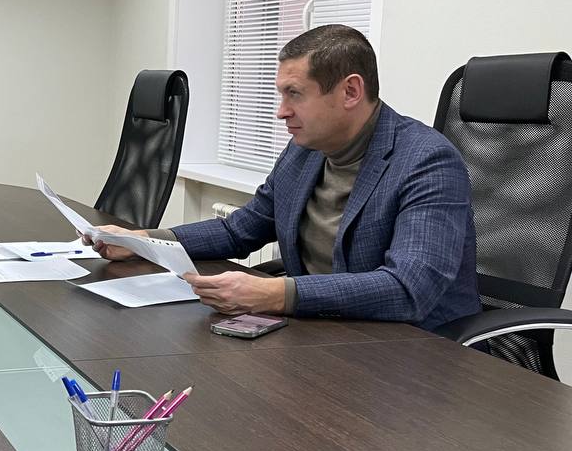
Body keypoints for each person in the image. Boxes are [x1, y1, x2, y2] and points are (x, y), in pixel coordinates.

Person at [93, 24, 481, 330]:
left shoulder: (427, 161)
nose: (281, 111)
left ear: (350, 91)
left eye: (294, 94)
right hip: (324, 331)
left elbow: (408, 289)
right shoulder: (304, 151)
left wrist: (276, 293)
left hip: (413, 350)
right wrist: (146, 242)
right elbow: (240, 231)